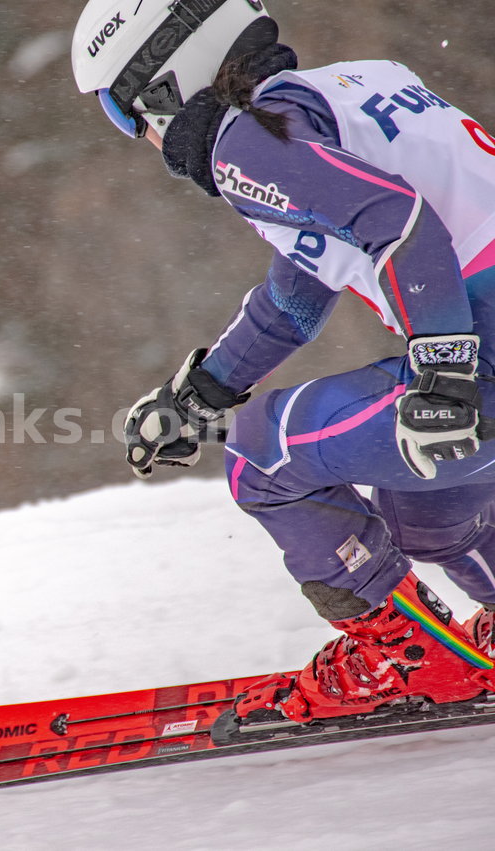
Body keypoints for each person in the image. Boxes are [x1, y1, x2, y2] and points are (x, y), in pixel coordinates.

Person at [70, 0, 495, 726]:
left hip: (478, 363)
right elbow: (301, 287)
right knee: (426, 517)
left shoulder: (250, 142)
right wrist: (200, 391)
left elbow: (398, 221)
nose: (136, 135)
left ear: (164, 82)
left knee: (262, 453)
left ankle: (405, 655)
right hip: (477, 352)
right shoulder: (341, 90)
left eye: (121, 111)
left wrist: (443, 370)